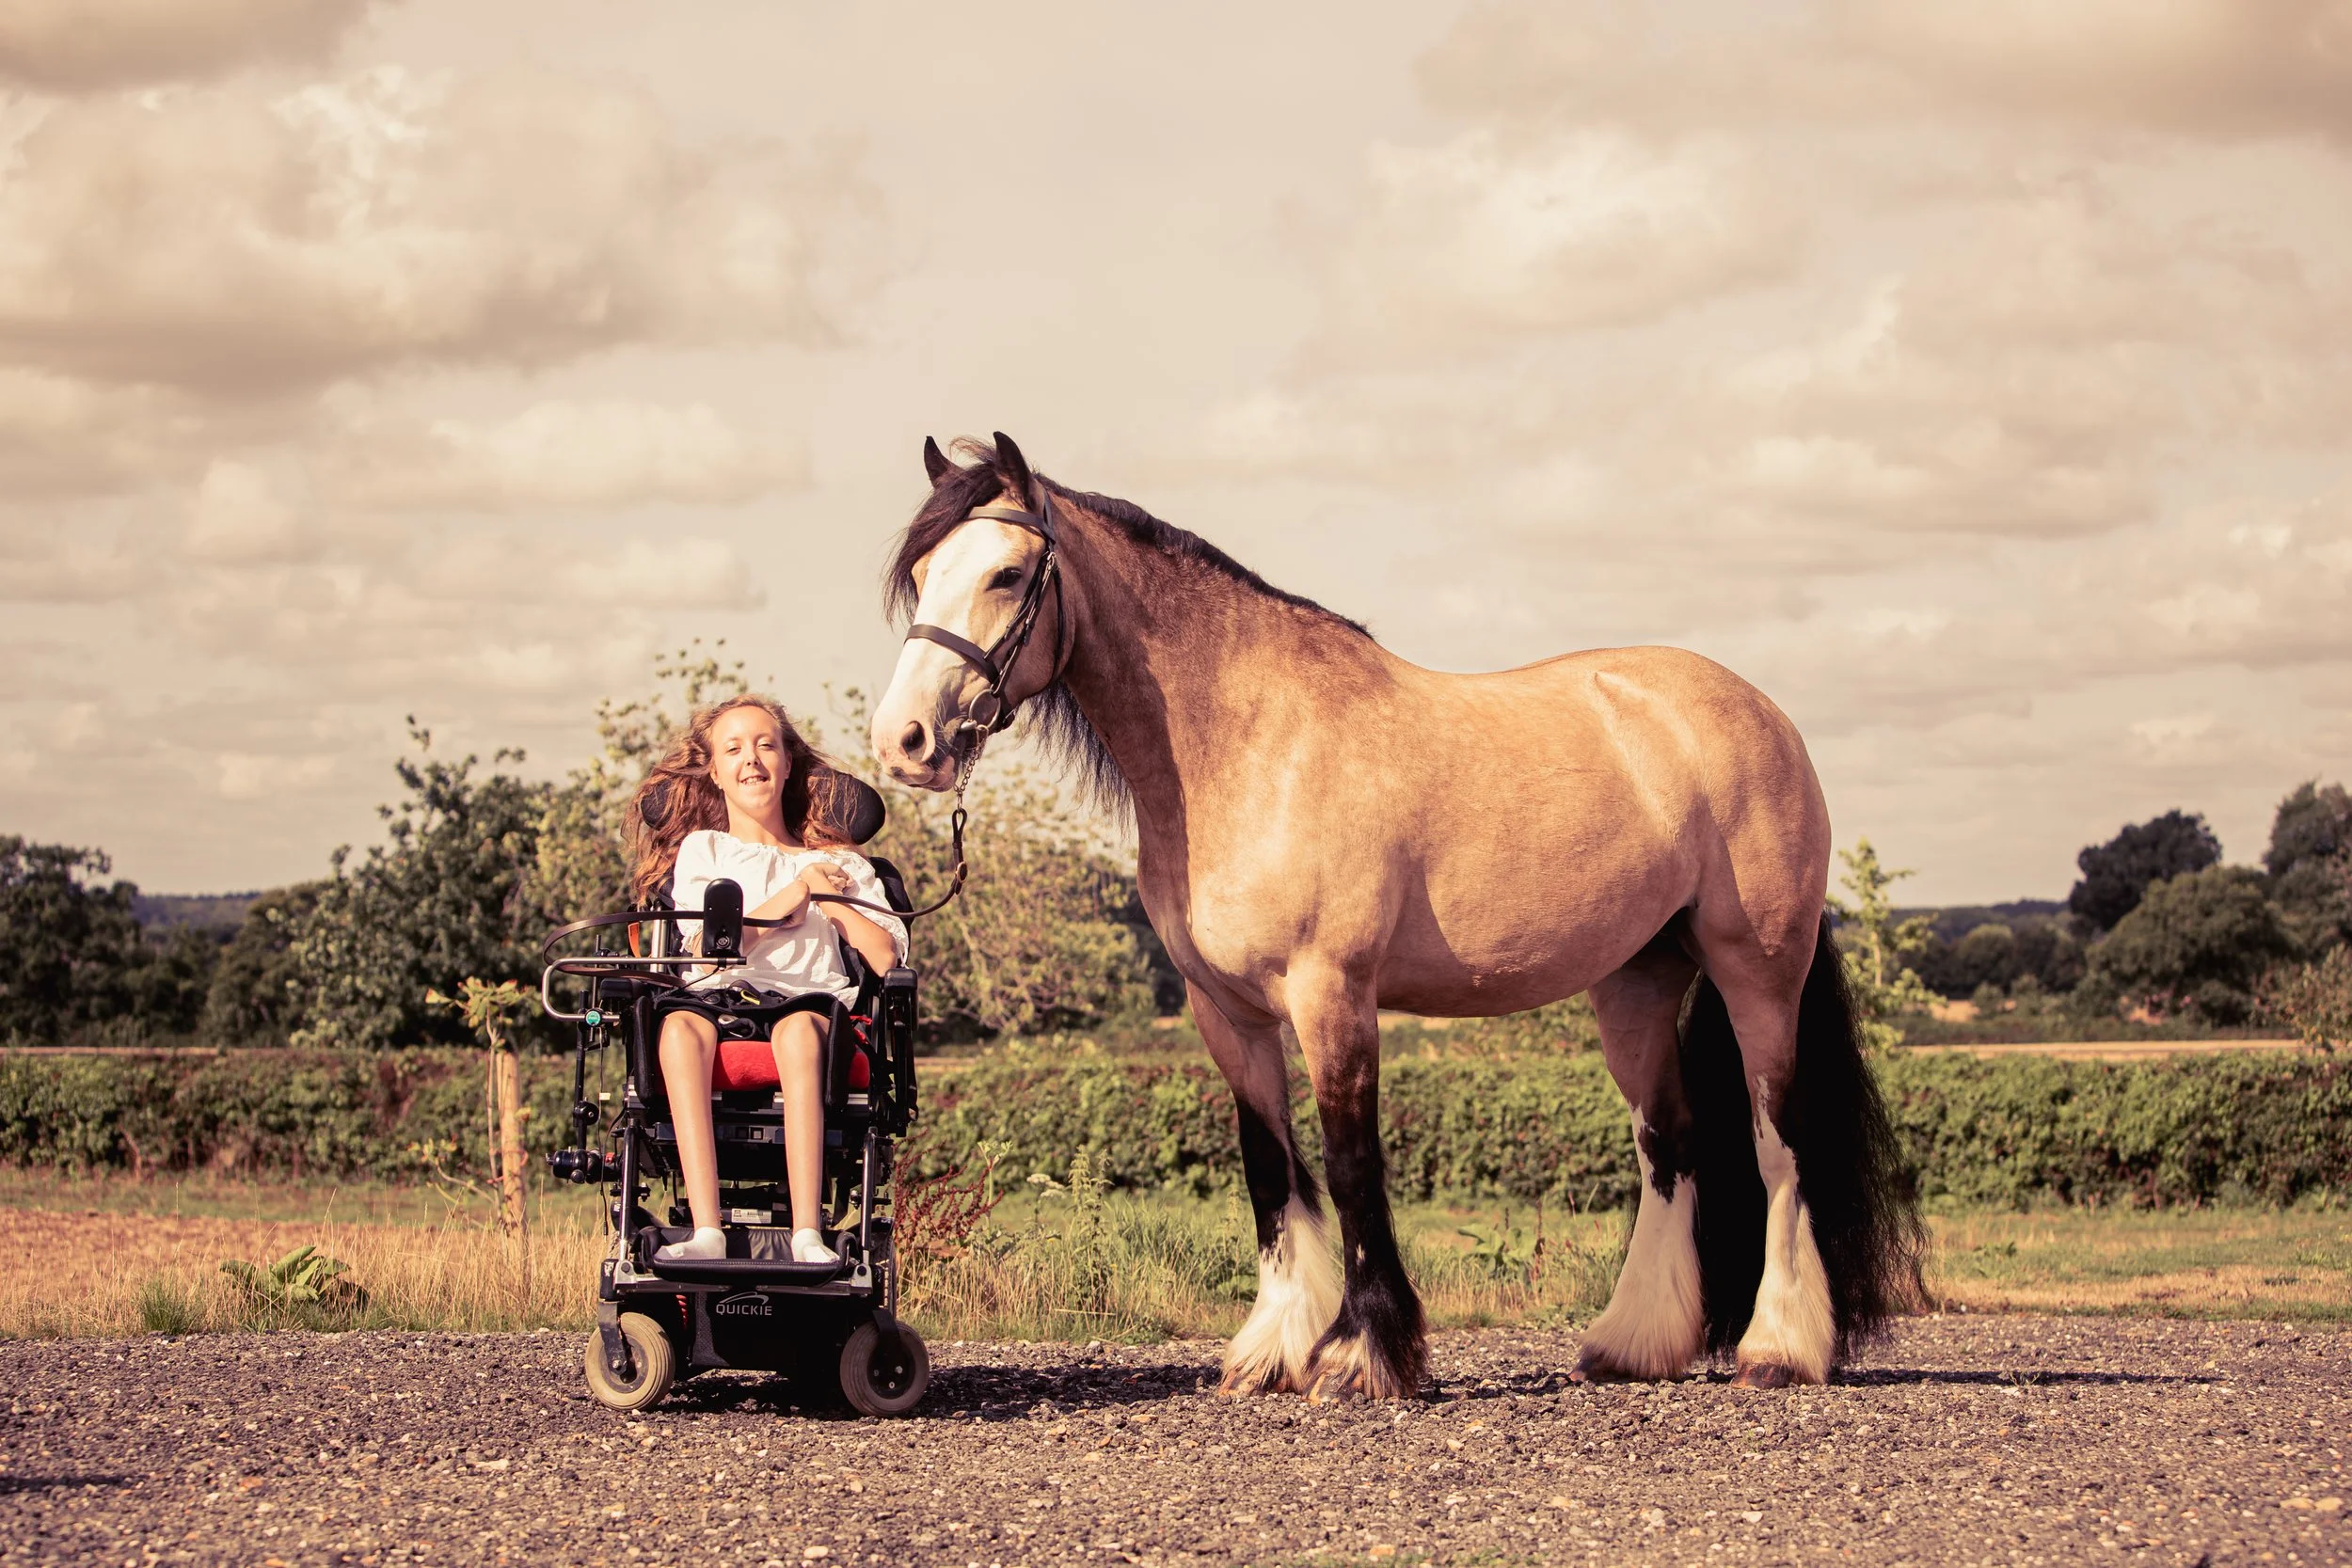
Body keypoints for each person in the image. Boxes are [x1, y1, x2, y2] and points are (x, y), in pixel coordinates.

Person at [625, 695, 906, 1264]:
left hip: (807, 1004)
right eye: (733, 749)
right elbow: (708, 953)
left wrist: (830, 899)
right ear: (715, 772)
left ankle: (806, 1233)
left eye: (765, 745)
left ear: (786, 761)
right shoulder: (706, 851)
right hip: (717, 998)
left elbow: (885, 959)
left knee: (799, 1034)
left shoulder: (841, 862)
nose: (751, 758)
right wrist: (791, 896)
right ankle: (707, 1231)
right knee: (676, 1031)